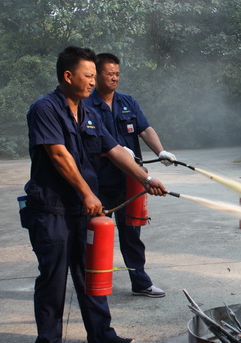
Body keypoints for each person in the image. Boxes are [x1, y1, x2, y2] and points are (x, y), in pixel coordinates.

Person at [22, 46, 167, 343]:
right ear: (67, 75)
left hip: (83, 210)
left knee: (92, 274)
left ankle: (102, 335)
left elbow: (114, 149)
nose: (92, 82)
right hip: (52, 209)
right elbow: (59, 155)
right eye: (88, 76)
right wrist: (89, 194)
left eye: (93, 76)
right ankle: (48, 340)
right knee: (53, 279)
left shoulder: (88, 111)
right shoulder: (45, 108)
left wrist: (146, 177)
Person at [84, 53, 176, 298]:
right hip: (99, 183)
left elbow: (144, 129)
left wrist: (161, 151)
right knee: (93, 233)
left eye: (117, 74)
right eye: (108, 74)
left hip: (130, 182)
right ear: (96, 75)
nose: (114, 78)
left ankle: (140, 281)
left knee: (132, 233)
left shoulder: (128, 102)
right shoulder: (85, 105)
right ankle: (92, 282)